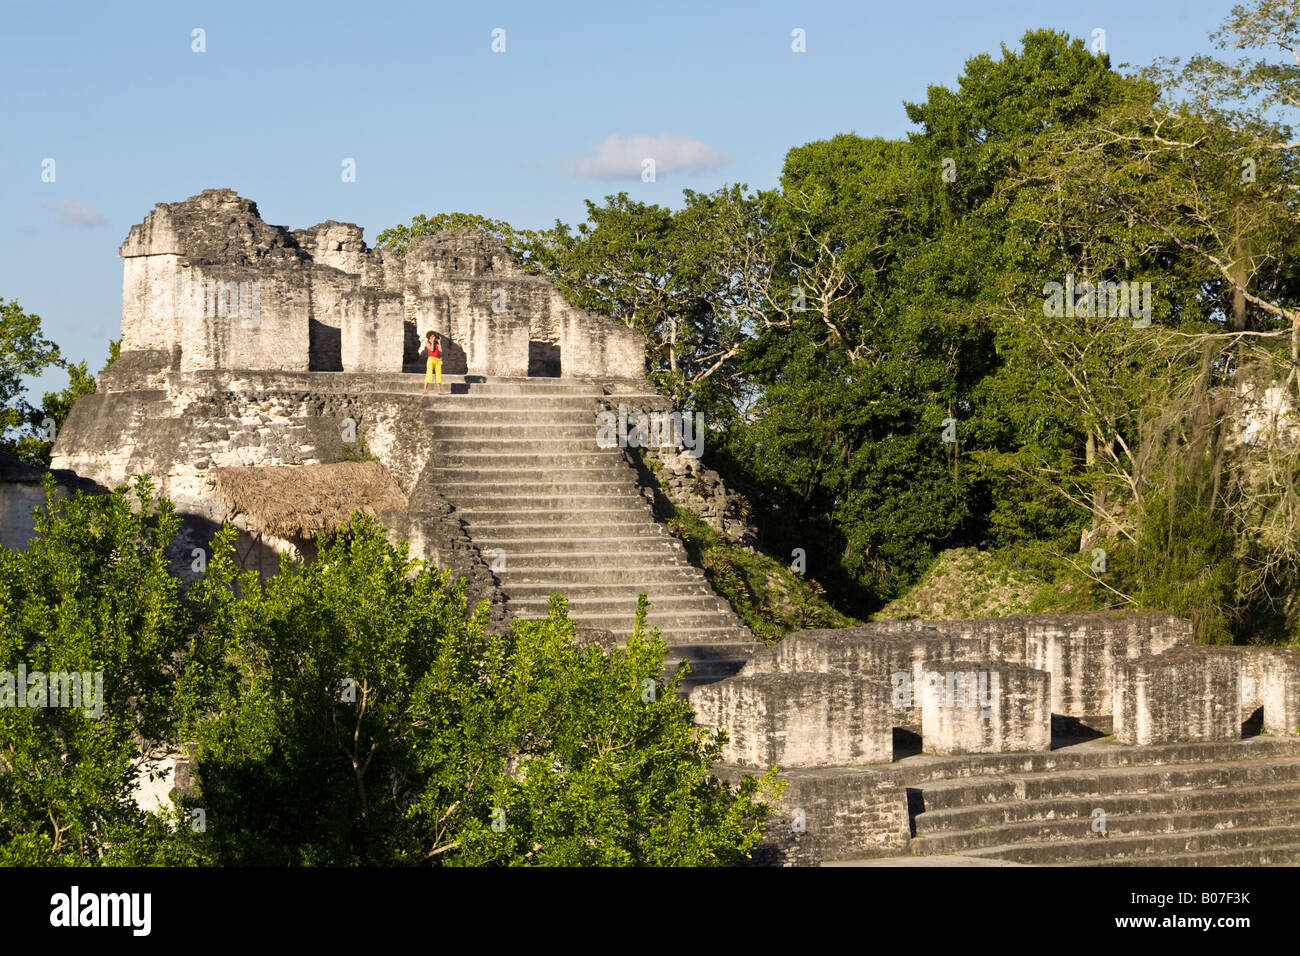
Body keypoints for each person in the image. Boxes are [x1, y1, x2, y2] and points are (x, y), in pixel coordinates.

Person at [421, 331, 442, 395]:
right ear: (429, 337)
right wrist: (432, 342)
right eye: (432, 336)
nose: (433, 337)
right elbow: (432, 350)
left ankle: (439, 391)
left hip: (438, 360)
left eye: (434, 336)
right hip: (431, 359)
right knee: (429, 374)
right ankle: (424, 390)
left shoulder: (436, 343)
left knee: (438, 374)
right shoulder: (427, 342)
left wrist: (439, 342)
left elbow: (440, 350)